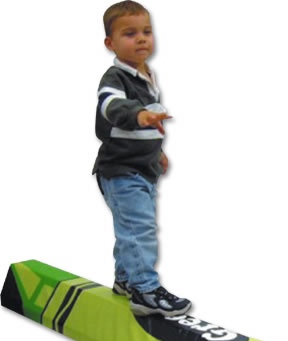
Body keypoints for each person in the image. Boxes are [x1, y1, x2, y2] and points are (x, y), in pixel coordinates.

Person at [93, 1, 191, 317]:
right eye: (130, 33)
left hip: (142, 170)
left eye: (146, 32)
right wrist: (139, 114)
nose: (141, 39)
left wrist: (157, 152)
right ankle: (145, 290)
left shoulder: (147, 76)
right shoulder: (115, 78)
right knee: (139, 230)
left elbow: (148, 127)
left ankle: (125, 281)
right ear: (110, 43)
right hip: (120, 170)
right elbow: (111, 107)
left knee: (131, 229)